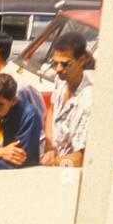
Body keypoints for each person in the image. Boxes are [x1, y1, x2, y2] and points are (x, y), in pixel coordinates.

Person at [41, 31, 92, 167]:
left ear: (81, 60)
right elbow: (52, 111)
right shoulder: (61, 79)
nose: (58, 69)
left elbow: (82, 157)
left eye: (65, 64)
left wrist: (55, 162)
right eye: (55, 63)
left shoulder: (87, 100)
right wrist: (49, 147)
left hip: (69, 170)